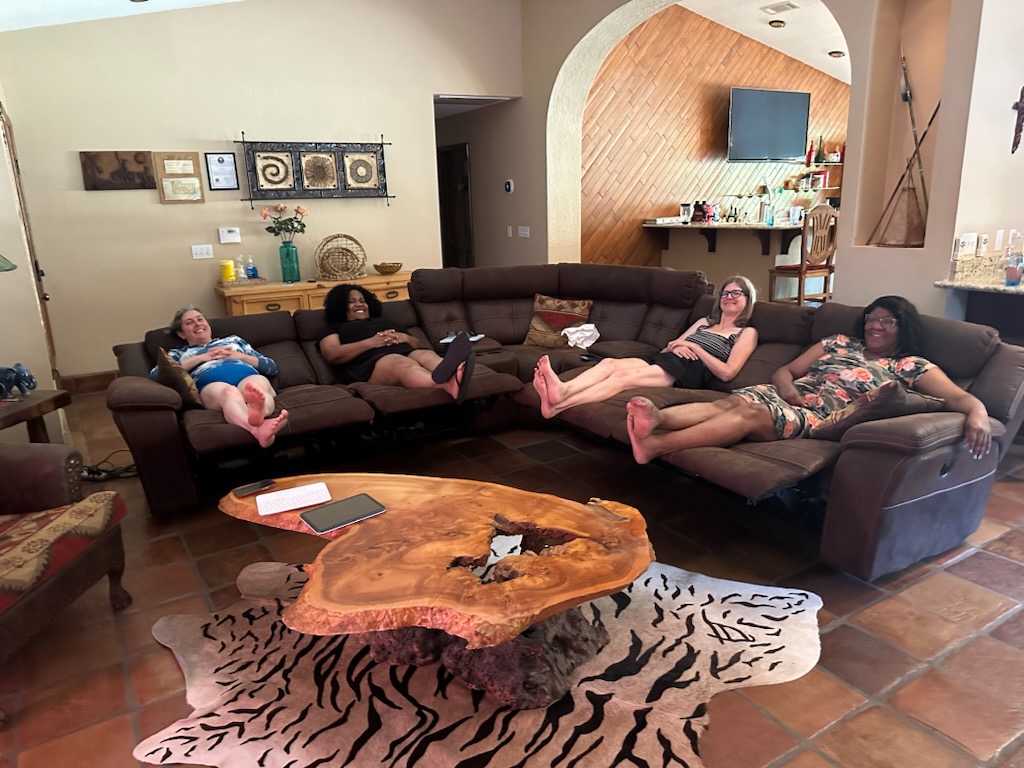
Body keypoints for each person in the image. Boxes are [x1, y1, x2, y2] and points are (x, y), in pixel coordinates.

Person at [626, 295, 992, 465]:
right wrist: (787, 390)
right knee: (730, 401)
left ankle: (656, 445)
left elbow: (959, 398)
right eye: (871, 319)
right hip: (790, 396)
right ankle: (656, 419)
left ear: (903, 326)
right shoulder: (839, 341)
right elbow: (785, 371)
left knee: (748, 414)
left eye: (886, 321)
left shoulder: (910, 365)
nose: (875, 326)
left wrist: (977, 414)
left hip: (817, 418)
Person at [533, 275, 759, 419]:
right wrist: (676, 346)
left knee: (621, 378)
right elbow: (671, 345)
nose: (729, 297)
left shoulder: (746, 333)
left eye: (736, 293)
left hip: (689, 370)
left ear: (748, 299)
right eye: (725, 293)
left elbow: (727, 373)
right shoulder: (704, 322)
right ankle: (563, 391)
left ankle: (558, 406)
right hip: (667, 358)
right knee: (609, 363)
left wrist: (695, 348)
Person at [153, 305, 289, 448]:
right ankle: (256, 424)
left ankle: (258, 415)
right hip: (211, 385)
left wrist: (239, 356)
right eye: (189, 322)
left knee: (254, 388)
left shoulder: (233, 341)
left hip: (247, 375)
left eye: (200, 319)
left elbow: (271, 367)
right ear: (181, 334)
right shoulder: (179, 353)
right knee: (229, 392)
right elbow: (158, 374)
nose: (197, 324)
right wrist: (202, 358)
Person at [318, 284, 475, 402]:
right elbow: (332, 353)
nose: (359, 304)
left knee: (425, 354)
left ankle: (454, 373)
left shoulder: (383, 321)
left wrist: (405, 338)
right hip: (369, 365)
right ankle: (443, 384)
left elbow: (416, 342)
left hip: (406, 351)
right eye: (351, 302)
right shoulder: (335, 327)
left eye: (362, 301)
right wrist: (372, 342)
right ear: (339, 307)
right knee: (400, 362)